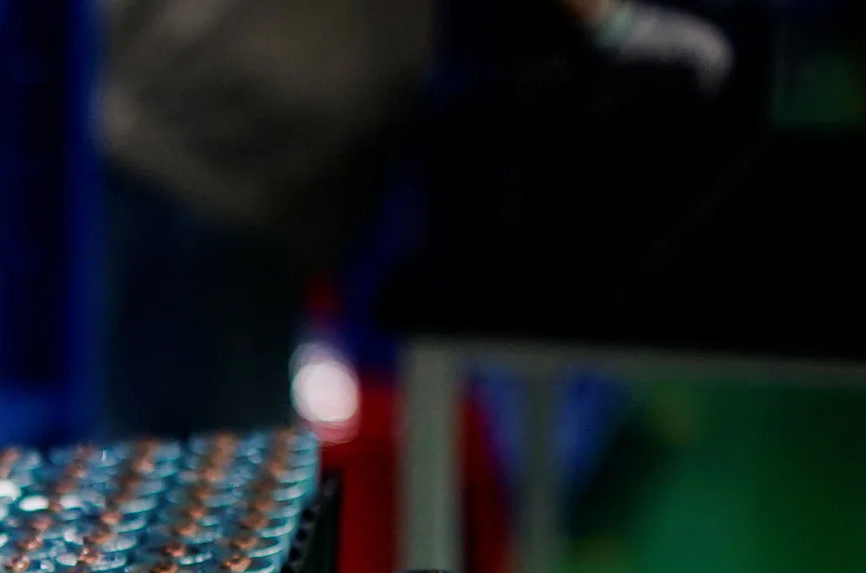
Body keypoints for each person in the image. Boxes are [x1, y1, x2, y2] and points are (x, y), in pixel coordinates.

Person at [97, 0, 735, 437]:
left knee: (201, 479)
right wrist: (613, 21)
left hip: (216, 147)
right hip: (211, 146)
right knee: (202, 499)